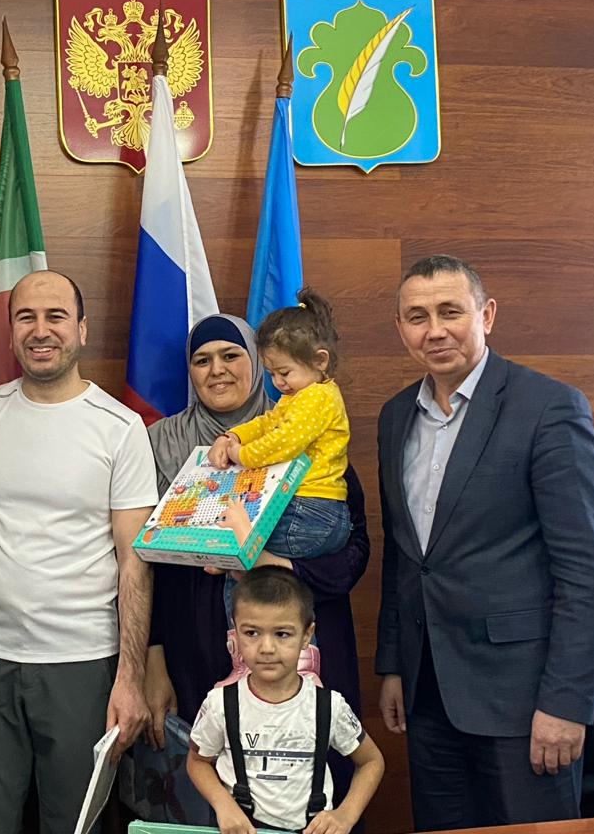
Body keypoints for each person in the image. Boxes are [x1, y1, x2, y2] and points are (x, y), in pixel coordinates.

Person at [376, 254, 594, 830]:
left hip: (524, 701)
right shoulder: (394, 417)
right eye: (418, 317)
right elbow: (404, 557)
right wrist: (393, 663)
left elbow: (588, 572)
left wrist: (566, 703)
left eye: (450, 312)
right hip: (429, 693)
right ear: (400, 328)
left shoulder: (548, 407)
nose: (435, 330)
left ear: (485, 315)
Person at [0, 269, 158, 834]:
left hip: (80, 663)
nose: (40, 331)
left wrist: (131, 678)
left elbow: (135, 562)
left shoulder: (120, 428)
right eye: (26, 317)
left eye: (56, 316)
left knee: (74, 824)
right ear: (11, 332)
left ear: (82, 329)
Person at [143, 313, 369, 808]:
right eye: (202, 360)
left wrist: (273, 564)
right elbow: (147, 568)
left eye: (231, 355)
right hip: (195, 646)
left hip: (301, 644)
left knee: (308, 794)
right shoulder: (160, 443)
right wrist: (152, 660)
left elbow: (352, 552)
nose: (217, 370)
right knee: (211, 791)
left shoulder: (305, 430)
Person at [187, 568, 384, 834]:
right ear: (235, 632)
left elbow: (371, 761)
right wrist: (224, 805)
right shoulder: (220, 703)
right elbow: (197, 762)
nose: (266, 648)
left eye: (282, 634)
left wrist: (346, 815)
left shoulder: (328, 706)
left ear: (306, 635)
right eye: (252, 633)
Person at [207, 289, 352, 611]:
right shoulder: (296, 397)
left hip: (313, 511)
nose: (277, 382)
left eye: (284, 373)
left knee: (245, 563)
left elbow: (282, 442)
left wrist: (241, 455)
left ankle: (232, 557)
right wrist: (231, 436)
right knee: (254, 578)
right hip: (304, 508)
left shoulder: (318, 397)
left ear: (320, 361)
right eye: (271, 374)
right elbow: (266, 422)